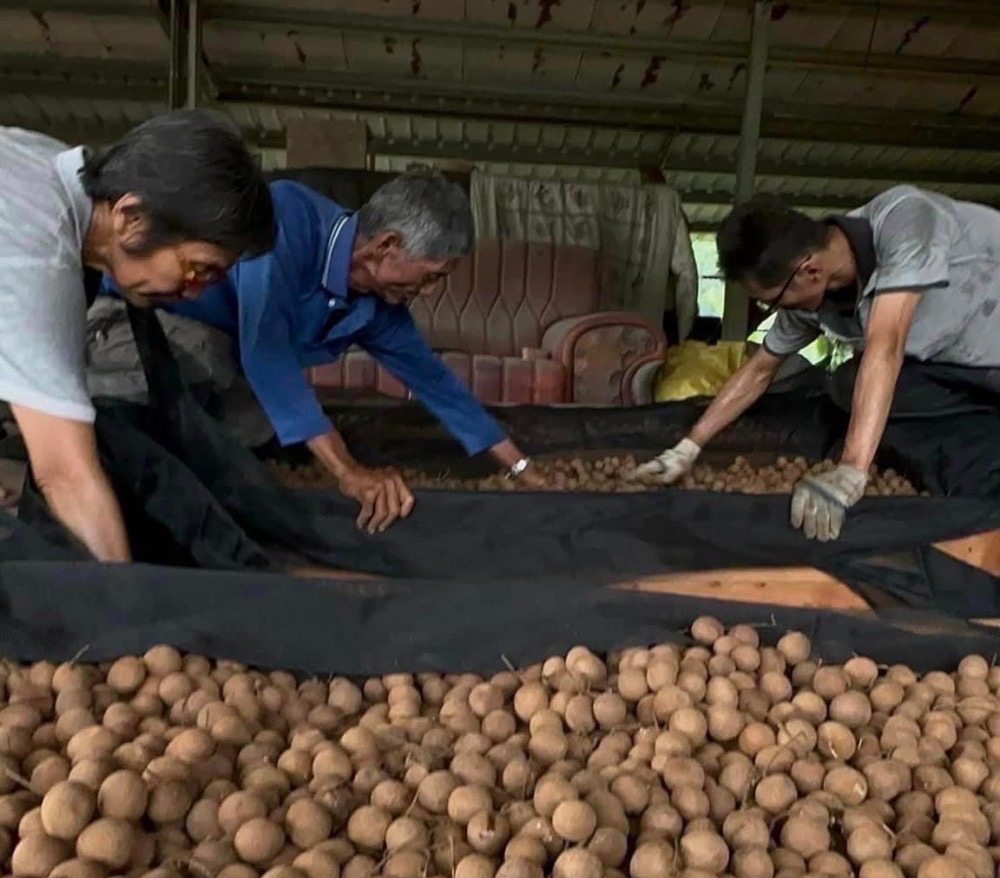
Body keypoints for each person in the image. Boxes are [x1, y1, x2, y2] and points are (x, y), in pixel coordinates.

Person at [129, 169, 542, 533]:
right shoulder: (286, 218)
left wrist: (520, 466)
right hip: (145, 320)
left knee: (252, 431)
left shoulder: (379, 303)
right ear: (386, 246)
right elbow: (267, 353)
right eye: (432, 276)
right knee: (190, 388)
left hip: (224, 348)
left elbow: (434, 381)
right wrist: (349, 472)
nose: (431, 290)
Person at [636, 185, 1000, 542]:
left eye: (773, 301)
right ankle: (956, 452)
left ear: (808, 271)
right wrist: (688, 447)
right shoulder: (811, 294)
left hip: (988, 350)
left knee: (872, 379)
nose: (775, 312)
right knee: (847, 384)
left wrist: (851, 472)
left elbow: (886, 345)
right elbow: (760, 369)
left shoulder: (906, 218)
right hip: (950, 363)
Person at [0, 112, 274, 562]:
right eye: (197, 268)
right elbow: (67, 476)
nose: (195, 291)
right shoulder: (40, 252)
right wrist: (130, 618)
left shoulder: (46, 166)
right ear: (130, 215)